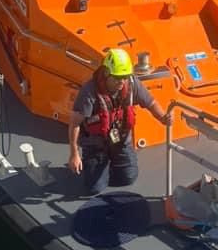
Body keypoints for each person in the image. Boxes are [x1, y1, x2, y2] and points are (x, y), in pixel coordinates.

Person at [68, 48, 171, 195]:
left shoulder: (132, 83)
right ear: (106, 73)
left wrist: (163, 117)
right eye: (117, 77)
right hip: (96, 144)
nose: (122, 82)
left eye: (125, 76)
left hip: (120, 140)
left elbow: (151, 103)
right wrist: (74, 153)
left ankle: (110, 165)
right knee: (94, 188)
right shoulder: (89, 92)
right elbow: (75, 123)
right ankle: (97, 165)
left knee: (128, 177)